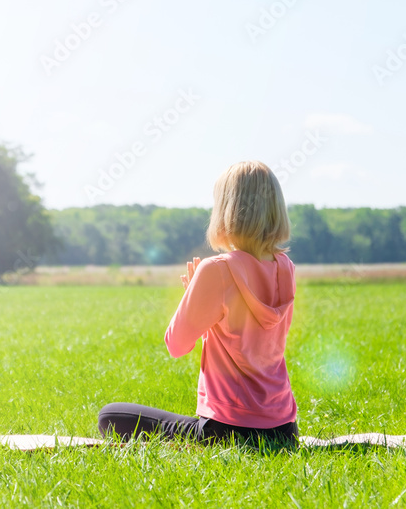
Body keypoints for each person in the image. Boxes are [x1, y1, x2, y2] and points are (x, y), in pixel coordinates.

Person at [98, 160, 299, 447]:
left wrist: (192, 293)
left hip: (227, 430)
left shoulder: (217, 270)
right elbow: (248, 340)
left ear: (227, 210)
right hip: (284, 431)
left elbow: (177, 345)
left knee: (110, 415)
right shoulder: (285, 267)